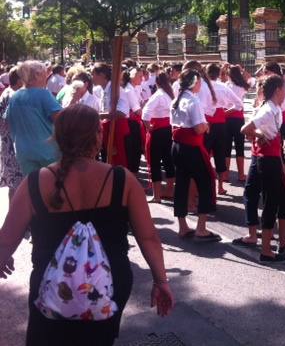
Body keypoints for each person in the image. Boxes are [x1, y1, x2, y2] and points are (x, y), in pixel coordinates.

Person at [0, 104, 174, 345]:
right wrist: (161, 281)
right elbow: (148, 238)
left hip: (50, 286)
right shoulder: (123, 180)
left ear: (57, 138)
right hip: (108, 284)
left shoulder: (34, 183)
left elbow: (6, 239)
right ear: (98, 136)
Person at [238, 75, 285, 263]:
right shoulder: (268, 109)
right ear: (277, 90)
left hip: (274, 158)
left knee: (284, 201)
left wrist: (283, 167)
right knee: (270, 203)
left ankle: (282, 242)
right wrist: (258, 133)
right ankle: (266, 251)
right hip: (266, 162)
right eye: (284, 89)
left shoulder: (275, 108)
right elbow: (245, 129)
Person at [170, 69, 220, 242]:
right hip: (191, 146)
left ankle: (182, 226)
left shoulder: (176, 99)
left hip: (177, 146)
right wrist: (206, 126)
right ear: (194, 83)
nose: (200, 85)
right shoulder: (193, 100)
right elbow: (198, 128)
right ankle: (201, 228)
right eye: (198, 82)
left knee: (182, 184)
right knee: (206, 181)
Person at [6, 61, 62, 176]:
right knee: (53, 188)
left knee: (33, 188)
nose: (46, 76)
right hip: (47, 153)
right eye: (44, 73)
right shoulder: (43, 94)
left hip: (23, 152)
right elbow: (61, 119)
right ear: (37, 75)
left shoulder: (15, 96)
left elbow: (7, 121)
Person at [205, 62, 243, 196]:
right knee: (220, 153)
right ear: (218, 74)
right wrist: (224, 112)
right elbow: (239, 104)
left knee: (204, 154)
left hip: (206, 122)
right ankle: (220, 186)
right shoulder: (222, 87)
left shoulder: (202, 86)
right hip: (221, 122)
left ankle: (205, 185)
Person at [142, 72, 175, 203]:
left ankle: (157, 196)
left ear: (157, 82)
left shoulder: (158, 95)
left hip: (158, 131)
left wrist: (148, 127)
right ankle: (169, 190)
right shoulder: (170, 94)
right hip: (169, 130)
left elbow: (145, 114)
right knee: (169, 161)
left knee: (155, 162)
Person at [91, 63, 131, 169]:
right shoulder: (101, 90)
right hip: (107, 129)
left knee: (118, 163)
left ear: (102, 75)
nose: (92, 77)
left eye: (93, 74)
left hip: (117, 129)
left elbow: (122, 112)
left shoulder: (116, 90)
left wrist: (97, 115)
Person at [0, 67, 24, 199]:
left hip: (9, 145)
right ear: (19, 80)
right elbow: (7, 120)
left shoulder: (8, 93)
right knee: (17, 186)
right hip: (13, 147)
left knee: (14, 186)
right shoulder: (13, 96)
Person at [225, 65, 249, 182]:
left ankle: (225, 175)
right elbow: (249, 79)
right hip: (238, 119)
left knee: (227, 147)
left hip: (227, 118)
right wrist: (241, 70)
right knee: (240, 147)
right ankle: (240, 174)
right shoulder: (242, 87)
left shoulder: (225, 86)